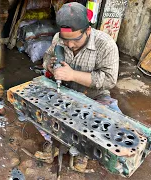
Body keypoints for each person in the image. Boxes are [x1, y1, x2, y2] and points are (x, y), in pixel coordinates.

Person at [39, 2, 120, 171]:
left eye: (75, 40)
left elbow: (110, 80)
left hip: (94, 96)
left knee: (111, 123)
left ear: (87, 31)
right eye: (65, 40)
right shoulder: (58, 39)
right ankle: (51, 140)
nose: (69, 45)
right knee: (36, 104)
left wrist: (73, 75)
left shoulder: (105, 45)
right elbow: (47, 58)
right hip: (65, 90)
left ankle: (84, 150)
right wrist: (50, 66)